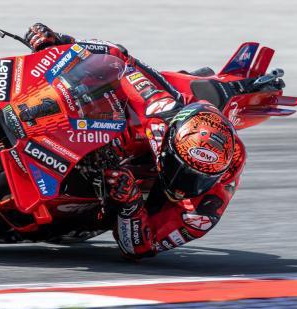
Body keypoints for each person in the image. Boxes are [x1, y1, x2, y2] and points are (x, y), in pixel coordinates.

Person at [24, 23, 247, 258]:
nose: (185, 182)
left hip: (135, 200)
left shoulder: (203, 211)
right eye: (184, 170)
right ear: (170, 144)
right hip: (142, 128)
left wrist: (130, 204)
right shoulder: (161, 109)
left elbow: (140, 247)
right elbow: (119, 58)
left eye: (197, 177)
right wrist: (60, 45)